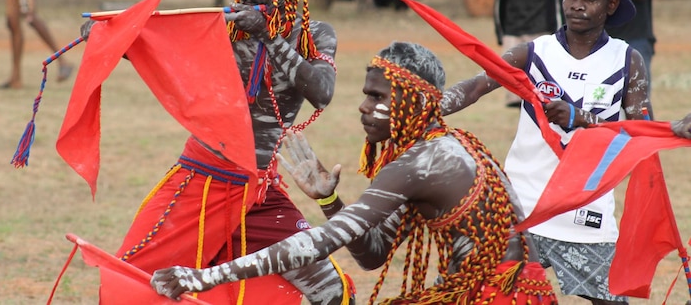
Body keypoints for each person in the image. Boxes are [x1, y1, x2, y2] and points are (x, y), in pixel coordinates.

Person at [150, 42, 558, 304]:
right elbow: (373, 255)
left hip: (500, 294)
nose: (363, 108)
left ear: (410, 103)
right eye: (365, 95)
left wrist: (204, 277)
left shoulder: (419, 164)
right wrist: (329, 199)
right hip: (504, 291)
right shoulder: (432, 147)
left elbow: (316, 245)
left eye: (377, 97)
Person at [107, 0, 348, 304]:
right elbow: (165, 49)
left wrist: (268, 35)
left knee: (330, 289)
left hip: (259, 192)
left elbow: (322, 91)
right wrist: (114, 35)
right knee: (135, 278)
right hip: (204, 180)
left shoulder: (315, 35)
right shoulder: (224, 26)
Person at [442, 0, 651, 304]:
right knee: (475, 291)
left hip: (587, 211)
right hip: (522, 206)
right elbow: (476, 86)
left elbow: (641, 135)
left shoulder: (627, 61)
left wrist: (581, 119)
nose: (577, 5)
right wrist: (429, 106)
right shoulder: (533, 53)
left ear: (612, 5)